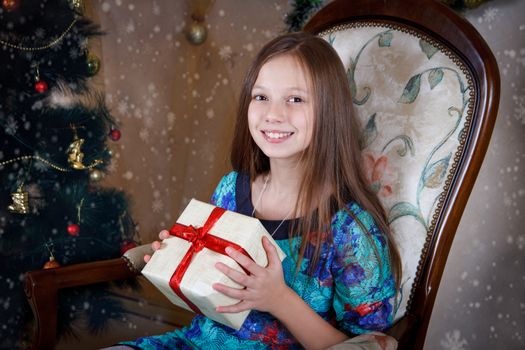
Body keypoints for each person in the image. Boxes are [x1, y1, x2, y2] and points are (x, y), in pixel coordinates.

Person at [116, 32, 401, 350]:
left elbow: (368, 345)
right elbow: (214, 294)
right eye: (260, 96)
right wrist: (180, 262)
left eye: (295, 99)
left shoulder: (351, 228)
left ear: (329, 110)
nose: (273, 114)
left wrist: (279, 299)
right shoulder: (230, 188)